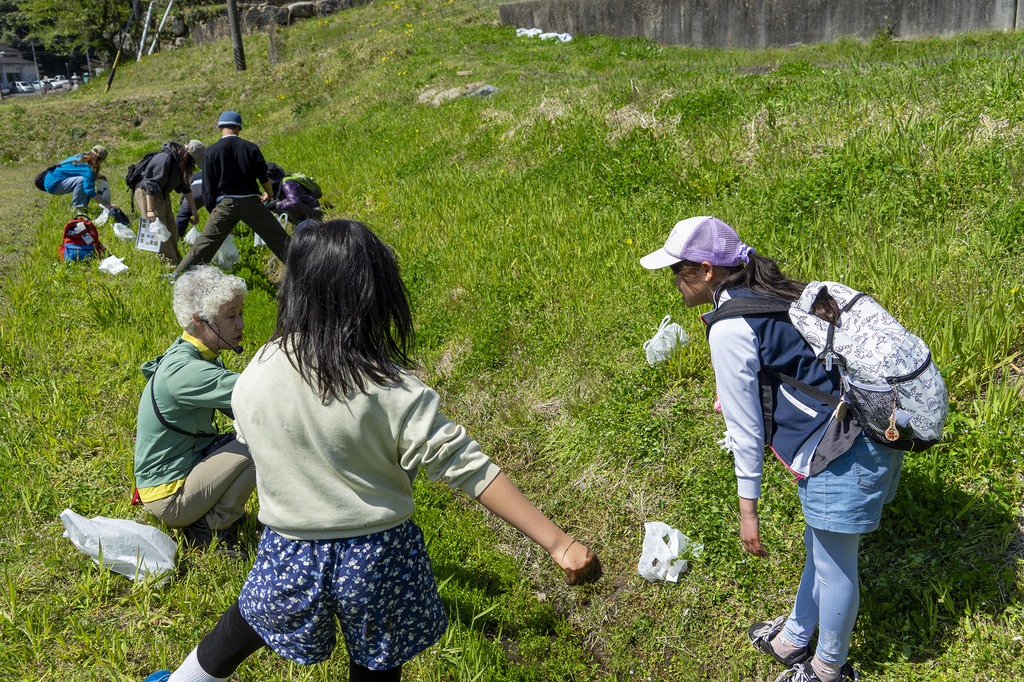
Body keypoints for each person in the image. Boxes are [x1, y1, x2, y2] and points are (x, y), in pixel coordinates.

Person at [143, 219, 602, 682]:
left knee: (245, 623)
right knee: (376, 664)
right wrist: (559, 543)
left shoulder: (258, 371)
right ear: (371, 296)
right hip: (379, 556)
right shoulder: (391, 388)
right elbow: (468, 466)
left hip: (289, 546)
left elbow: (251, 431)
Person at [640, 216, 903, 682]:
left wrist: (748, 510)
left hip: (841, 451)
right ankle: (796, 637)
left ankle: (828, 669)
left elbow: (745, 432)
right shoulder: (770, 293)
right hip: (864, 433)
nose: (674, 283)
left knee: (837, 567)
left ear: (705, 271)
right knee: (822, 551)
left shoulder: (729, 326)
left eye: (676, 272)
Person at [133, 265, 256, 557]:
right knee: (261, 444)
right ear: (199, 321)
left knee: (254, 432)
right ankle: (208, 529)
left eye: (241, 313)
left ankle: (209, 513)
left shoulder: (194, 352)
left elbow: (240, 408)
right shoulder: (188, 371)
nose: (240, 325)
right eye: (230, 316)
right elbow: (258, 392)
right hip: (169, 497)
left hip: (180, 471)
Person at [174, 111, 291, 276]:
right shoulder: (251, 147)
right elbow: (263, 176)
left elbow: (208, 187)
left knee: (204, 244)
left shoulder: (211, 152)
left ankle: (179, 276)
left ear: (220, 128)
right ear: (238, 128)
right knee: (278, 237)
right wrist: (269, 193)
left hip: (225, 204)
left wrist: (213, 211)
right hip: (251, 202)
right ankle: (306, 267)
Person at [132, 140, 205, 266]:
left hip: (162, 193)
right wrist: (150, 210)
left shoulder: (182, 164)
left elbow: (186, 188)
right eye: (193, 161)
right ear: (187, 156)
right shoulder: (165, 159)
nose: (193, 164)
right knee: (160, 231)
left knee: (171, 229)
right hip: (147, 194)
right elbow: (151, 185)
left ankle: (178, 261)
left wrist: (194, 210)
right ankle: (171, 266)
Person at [42, 145, 117, 212]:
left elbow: (75, 170)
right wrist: (105, 205)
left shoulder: (82, 156)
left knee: (84, 180)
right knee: (82, 181)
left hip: (49, 178)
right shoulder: (88, 170)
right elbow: (89, 191)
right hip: (53, 184)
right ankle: (77, 209)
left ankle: (80, 207)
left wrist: (95, 176)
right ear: (100, 160)